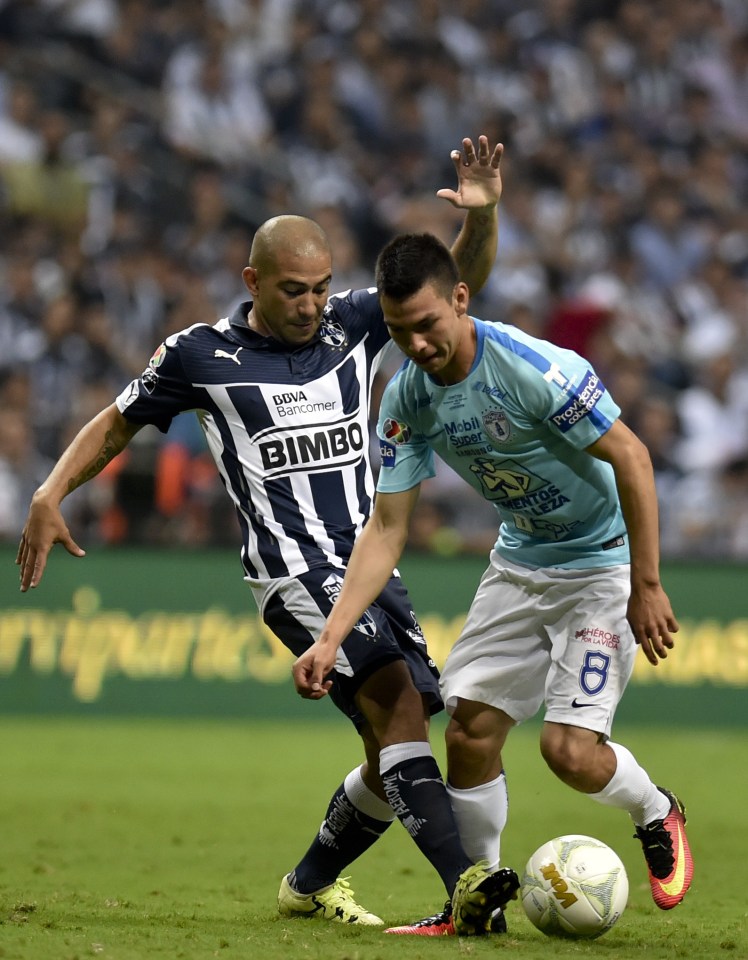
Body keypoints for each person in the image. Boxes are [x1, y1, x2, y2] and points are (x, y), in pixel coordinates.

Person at [16, 136, 520, 935]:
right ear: (253, 282)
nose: (314, 304)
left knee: (394, 751)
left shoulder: (353, 324)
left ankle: (309, 883)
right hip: (291, 572)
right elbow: (117, 422)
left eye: (322, 289)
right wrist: (51, 490)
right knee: (395, 706)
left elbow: (458, 285)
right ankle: (466, 883)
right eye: (294, 291)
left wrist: (485, 212)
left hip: (367, 565)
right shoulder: (201, 355)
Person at [293, 231, 694, 936]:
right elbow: (385, 529)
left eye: (427, 326)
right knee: (470, 733)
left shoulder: (535, 368)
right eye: (398, 332)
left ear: (459, 298)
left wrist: (647, 582)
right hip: (521, 564)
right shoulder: (407, 400)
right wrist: (330, 637)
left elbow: (632, 457)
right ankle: (476, 904)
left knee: (569, 753)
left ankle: (655, 811)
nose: (416, 345)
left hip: (601, 566)